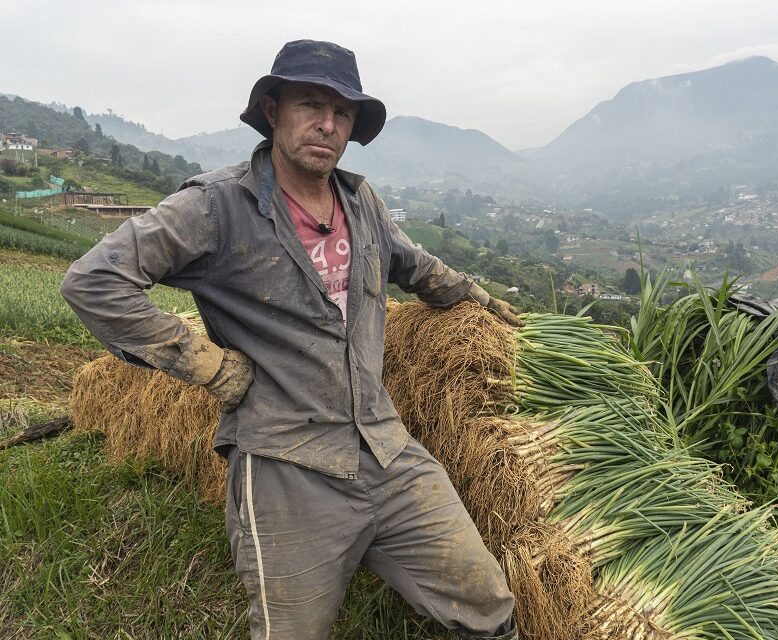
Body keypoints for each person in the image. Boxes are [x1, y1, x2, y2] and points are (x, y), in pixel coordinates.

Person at [60, 39, 519, 640]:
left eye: (342, 114)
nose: (327, 125)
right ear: (273, 110)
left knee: (488, 604)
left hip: (384, 449)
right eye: (310, 105)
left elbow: (415, 265)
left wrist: (479, 301)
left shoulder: (361, 204)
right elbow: (94, 281)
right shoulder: (217, 206)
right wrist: (206, 364)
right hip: (285, 462)